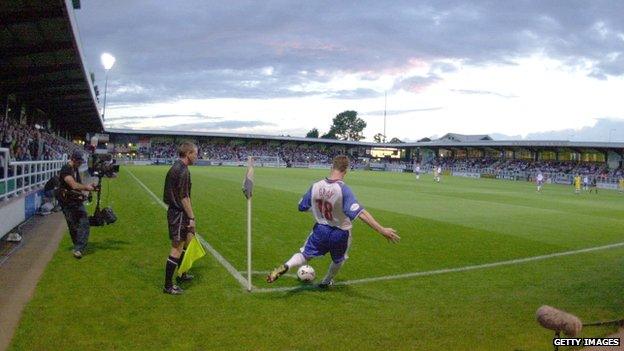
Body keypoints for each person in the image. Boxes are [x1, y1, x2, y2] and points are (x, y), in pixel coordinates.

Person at [266, 155, 400, 288]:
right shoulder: (343, 189)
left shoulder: (316, 186)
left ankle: (287, 265)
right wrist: (382, 230)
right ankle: (326, 281)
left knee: (305, 255)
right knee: (338, 260)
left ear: (332, 167)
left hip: (320, 230)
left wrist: (319, 211)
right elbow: (361, 213)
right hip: (340, 233)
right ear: (346, 171)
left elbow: (301, 206)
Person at [162, 142, 198, 295]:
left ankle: (182, 273)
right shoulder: (183, 171)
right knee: (177, 248)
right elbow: (184, 197)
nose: (197, 156)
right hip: (179, 214)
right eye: (195, 153)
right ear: (188, 153)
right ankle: (168, 286)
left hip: (176, 212)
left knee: (187, 243)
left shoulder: (177, 167)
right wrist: (191, 217)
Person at [58, 150, 95, 259]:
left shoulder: (75, 169)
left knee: (84, 222)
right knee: (73, 225)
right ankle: (78, 247)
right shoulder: (66, 169)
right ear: (73, 159)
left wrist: (85, 190)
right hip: (67, 202)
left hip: (75, 200)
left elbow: (77, 185)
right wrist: (86, 187)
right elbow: (73, 185)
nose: (80, 163)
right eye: (79, 161)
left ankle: (79, 248)